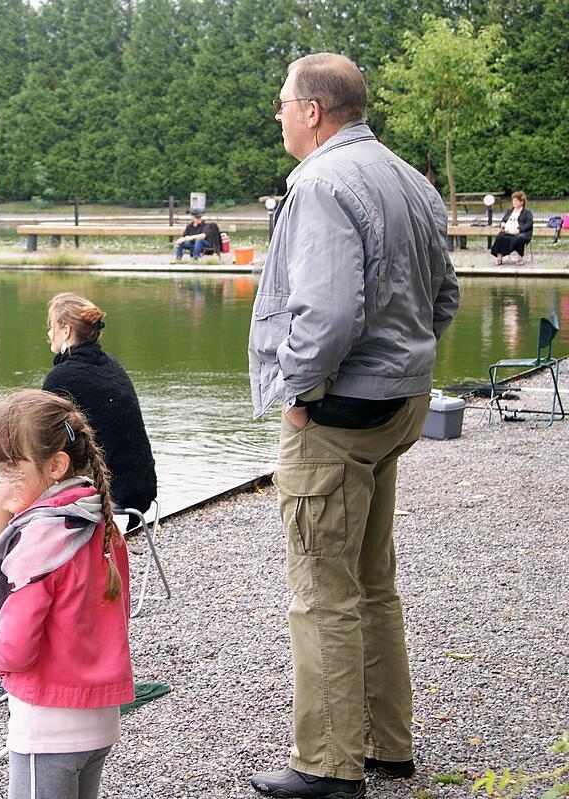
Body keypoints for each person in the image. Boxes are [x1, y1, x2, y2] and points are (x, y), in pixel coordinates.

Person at [248, 54, 459, 799]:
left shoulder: (321, 183)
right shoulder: (407, 177)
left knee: (321, 590)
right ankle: (387, 744)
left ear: (313, 110)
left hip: (337, 416)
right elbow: (445, 295)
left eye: (282, 103)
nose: (276, 114)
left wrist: (300, 390)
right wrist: (407, 370)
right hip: (396, 406)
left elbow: (329, 312)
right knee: (372, 581)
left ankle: (328, 766)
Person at [0, 389, 134, 799]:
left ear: (56, 467)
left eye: (9, 469)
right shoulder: (102, 522)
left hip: (48, 726)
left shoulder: (37, 542)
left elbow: (16, 648)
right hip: (100, 717)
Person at [41, 293, 157, 517]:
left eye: (51, 326)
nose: (49, 333)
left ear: (66, 331)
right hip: (140, 485)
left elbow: (42, 437)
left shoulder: (62, 377)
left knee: (18, 478)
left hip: (112, 491)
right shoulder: (111, 364)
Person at [490, 190, 534, 265]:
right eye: (513, 201)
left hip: (522, 232)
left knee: (519, 238)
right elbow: (503, 220)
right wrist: (503, 224)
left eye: (516, 201)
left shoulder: (527, 212)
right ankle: (499, 258)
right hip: (509, 231)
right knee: (500, 236)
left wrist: (519, 230)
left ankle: (520, 259)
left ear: (522, 202)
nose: (514, 202)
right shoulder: (510, 211)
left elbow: (529, 224)